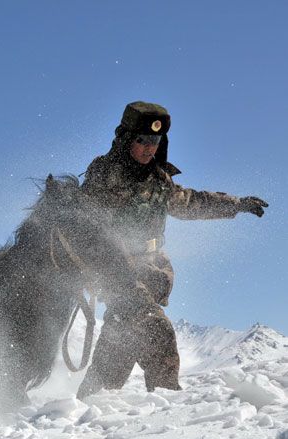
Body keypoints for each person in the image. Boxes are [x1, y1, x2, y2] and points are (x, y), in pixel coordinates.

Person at [76, 101, 268, 399]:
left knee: (120, 343)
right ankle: (169, 414)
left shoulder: (159, 180)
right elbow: (81, 224)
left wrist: (236, 204)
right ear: (127, 139)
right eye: (142, 140)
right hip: (117, 271)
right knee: (156, 331)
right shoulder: (104, 173)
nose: (149, 148)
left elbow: (190, 202)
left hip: (150, 273)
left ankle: (84, 406)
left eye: (155, 141)